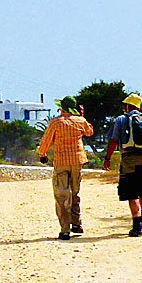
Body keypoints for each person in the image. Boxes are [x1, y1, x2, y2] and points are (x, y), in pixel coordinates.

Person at [103, 93, 142, 237]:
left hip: (129, 157)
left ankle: (136, 226)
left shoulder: (121, 120)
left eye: (125, 105)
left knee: (131, 191)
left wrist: (108, 158)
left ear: (128, 106)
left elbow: (113, 141)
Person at [38, 96, 94, 240]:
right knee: (75, 192)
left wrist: (42, 153)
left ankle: (65, 229)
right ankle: (77, 223)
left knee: (62, 194)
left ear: (61, 108)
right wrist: (82, 117)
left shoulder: (55, 122)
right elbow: (89, 132)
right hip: (77, 161)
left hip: (61, 161)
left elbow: (46, 140)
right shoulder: (80, 121)